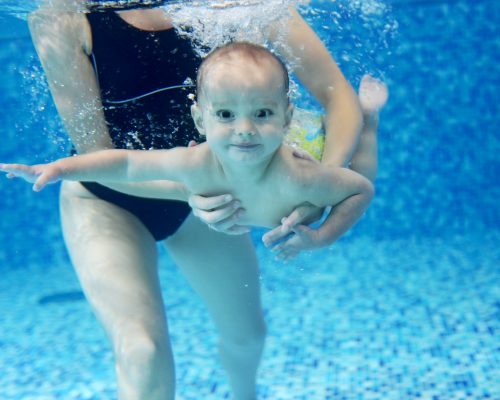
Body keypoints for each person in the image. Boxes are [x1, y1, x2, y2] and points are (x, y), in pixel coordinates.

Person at [23, 1, 372, 399]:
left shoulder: (241, 4)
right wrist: (189, 191)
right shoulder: (62, 16)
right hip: (108, 200)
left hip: (213, 194)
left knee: (247, 335)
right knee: (141, 350)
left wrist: (314, 188)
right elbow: (96, 160)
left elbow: (337, 96)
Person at [2, 42, 376, 254]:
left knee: (361, 162)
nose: (244, 130)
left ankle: (370, 118)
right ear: (200, 121)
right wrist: (60, 168)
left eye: (261, 113)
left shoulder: (302, 176)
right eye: (226, 114)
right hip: (275, 142)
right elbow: (128, 165)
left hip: (305, 142)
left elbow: (361, 189)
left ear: (284, 116)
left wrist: (323, 235)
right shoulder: (197, 162)